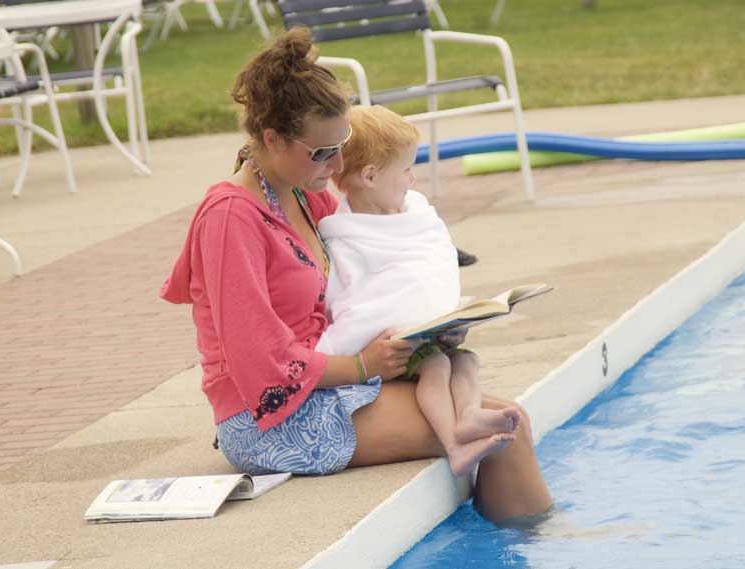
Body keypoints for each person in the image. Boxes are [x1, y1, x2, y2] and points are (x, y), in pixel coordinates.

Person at [159, 28, 551, 523]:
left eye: (341, 145)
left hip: (331, 384)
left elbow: (367, 286)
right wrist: (366, 365)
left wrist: (431, 323)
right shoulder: (230, 218)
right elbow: (259, 362)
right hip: (268, 418)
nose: (340, 164)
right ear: (272, 139)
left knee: (509, 416)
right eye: (322, 152)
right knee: (504, 434)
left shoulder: (308, 193)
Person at [316, 105, 521, 476]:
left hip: (422, 336)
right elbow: (346, 300)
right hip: (388, 348)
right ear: (370, 176)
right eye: (406, 170)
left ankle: (469, 415)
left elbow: (427, 265)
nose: (412, 180)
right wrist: (362, 339)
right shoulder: (346, 234)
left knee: (465, 360)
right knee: (437, 364)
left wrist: (445, 316)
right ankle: (454, 441)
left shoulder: (410, 215)